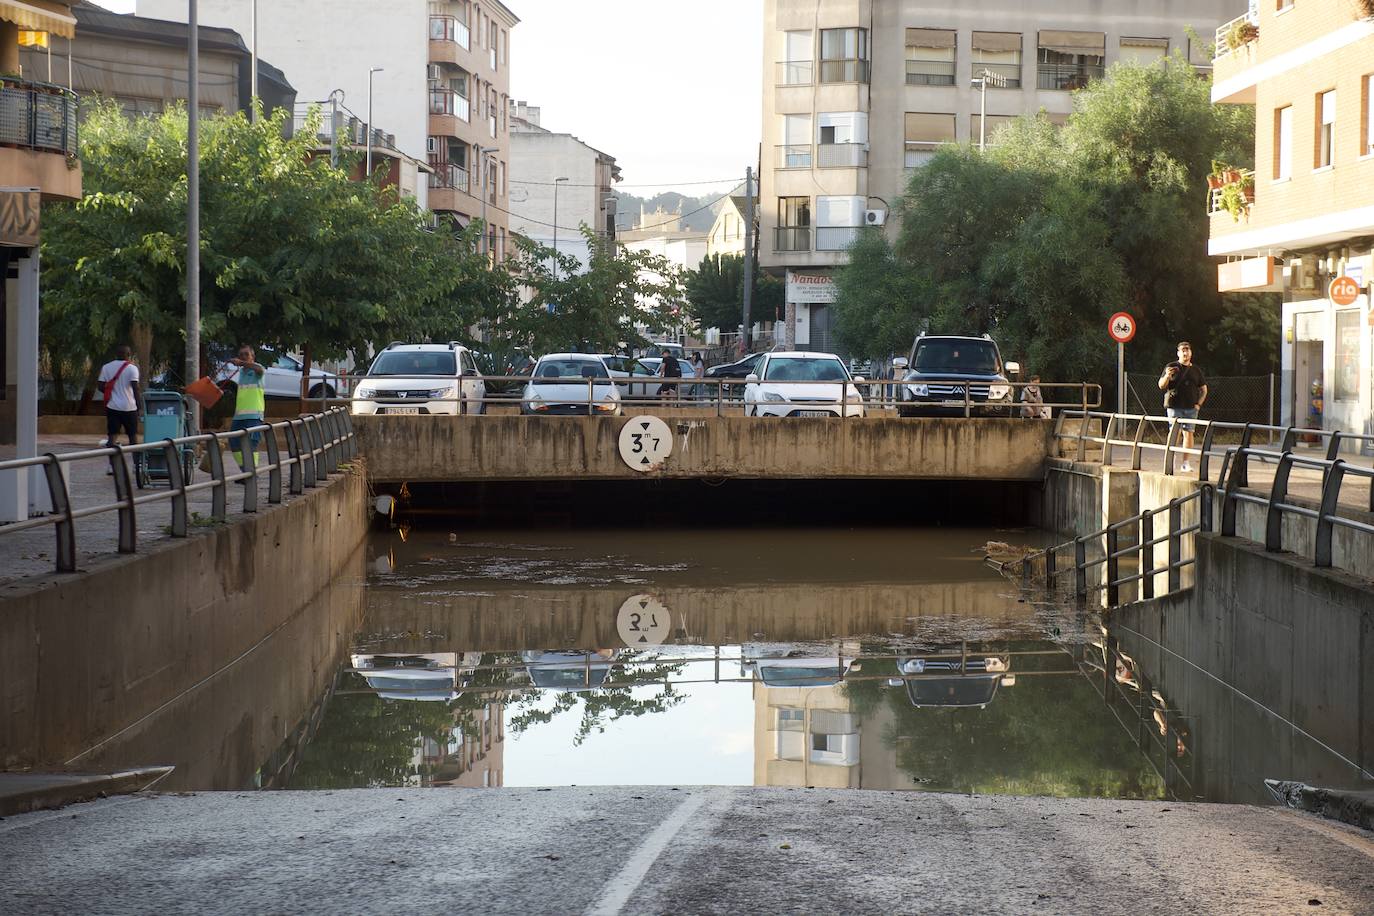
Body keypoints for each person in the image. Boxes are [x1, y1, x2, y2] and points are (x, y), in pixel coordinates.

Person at [1157, 341, 1208, 473]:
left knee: (1189, 434)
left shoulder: (1196, 370)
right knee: (1174, 433)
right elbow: (1161, 386)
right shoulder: (1171, 366)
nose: (1185, 353)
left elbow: (1204, 389)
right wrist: (1167, 376)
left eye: (1188, 350)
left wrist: (1198, 404)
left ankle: (1185, 463)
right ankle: (1170, 459)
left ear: (1191, 352)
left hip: (1191, 408)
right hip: (1174, 407)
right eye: (1183, 350)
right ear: (1178, 353)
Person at [97, 345, 142, 471]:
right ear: (129, 354)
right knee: (133, 437)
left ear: (116, 354)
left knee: (112, 436)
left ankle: (111, 466)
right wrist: (139, 407)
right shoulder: (132, 369)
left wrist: (112, 391)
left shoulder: (106, 367)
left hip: (113, 406)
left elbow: (100, 386)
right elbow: (135, 388)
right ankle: (136, 465)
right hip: (130, 407)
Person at [229, 344, 268, 475]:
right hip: (239, 416)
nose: (243, 357)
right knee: (234, 444)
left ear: (253, 357)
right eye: (241, 355)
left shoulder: (257, 370)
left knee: (251, 445)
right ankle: (246, 471)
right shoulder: (241, 372)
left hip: (254, 416)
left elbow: (259, 369)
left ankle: (251, 473)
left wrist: (243, 363)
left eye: (246, 354)